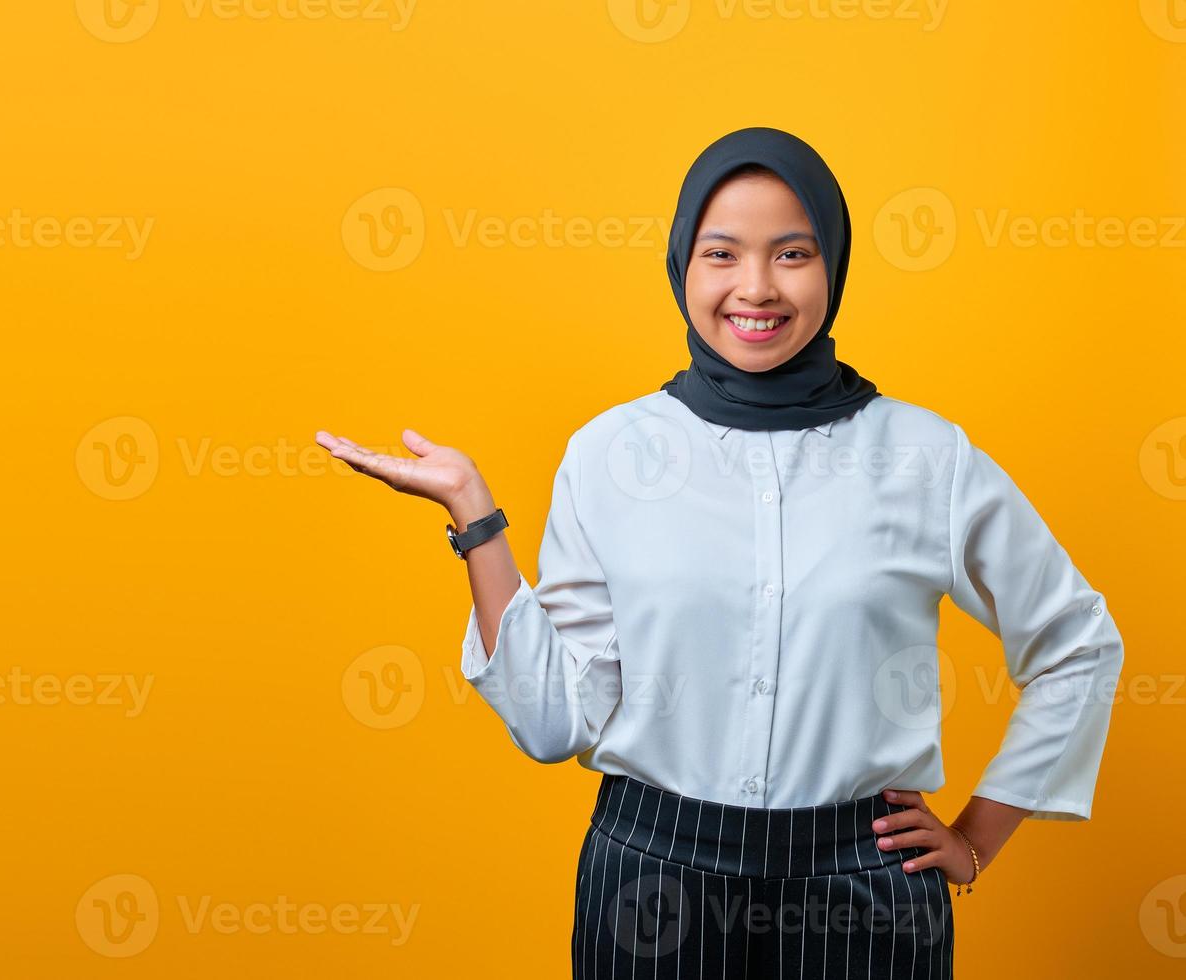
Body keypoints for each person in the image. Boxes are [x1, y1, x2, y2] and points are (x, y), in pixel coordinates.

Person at [314, 126, 1124, 979]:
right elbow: (555, 725)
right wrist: (475, 519)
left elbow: (1077, 642)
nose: (756, 287)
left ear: (833, 265)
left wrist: (974, 839)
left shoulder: (924, 456)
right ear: (682, 266)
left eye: (792, 252)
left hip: (863, 885)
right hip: (649, 882)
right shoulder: (610, 452)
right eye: (721, 253)